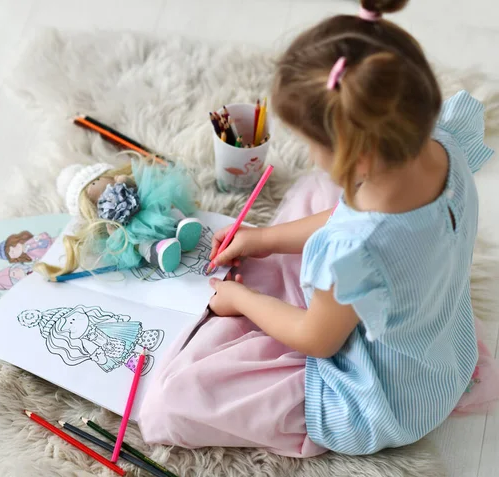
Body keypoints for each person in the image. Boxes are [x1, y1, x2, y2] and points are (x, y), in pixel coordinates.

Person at [138, 0, 499, 457]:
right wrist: (265, 240)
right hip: (443, 351)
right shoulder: (445, 143)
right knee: (316, 195)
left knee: (173, 401)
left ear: (359, 157)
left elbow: (318, 339)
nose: (310, 156)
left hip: (376, 401)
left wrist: (242, 300)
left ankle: (250, 311)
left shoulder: (355, 251)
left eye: (313, 145)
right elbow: (348, 217)